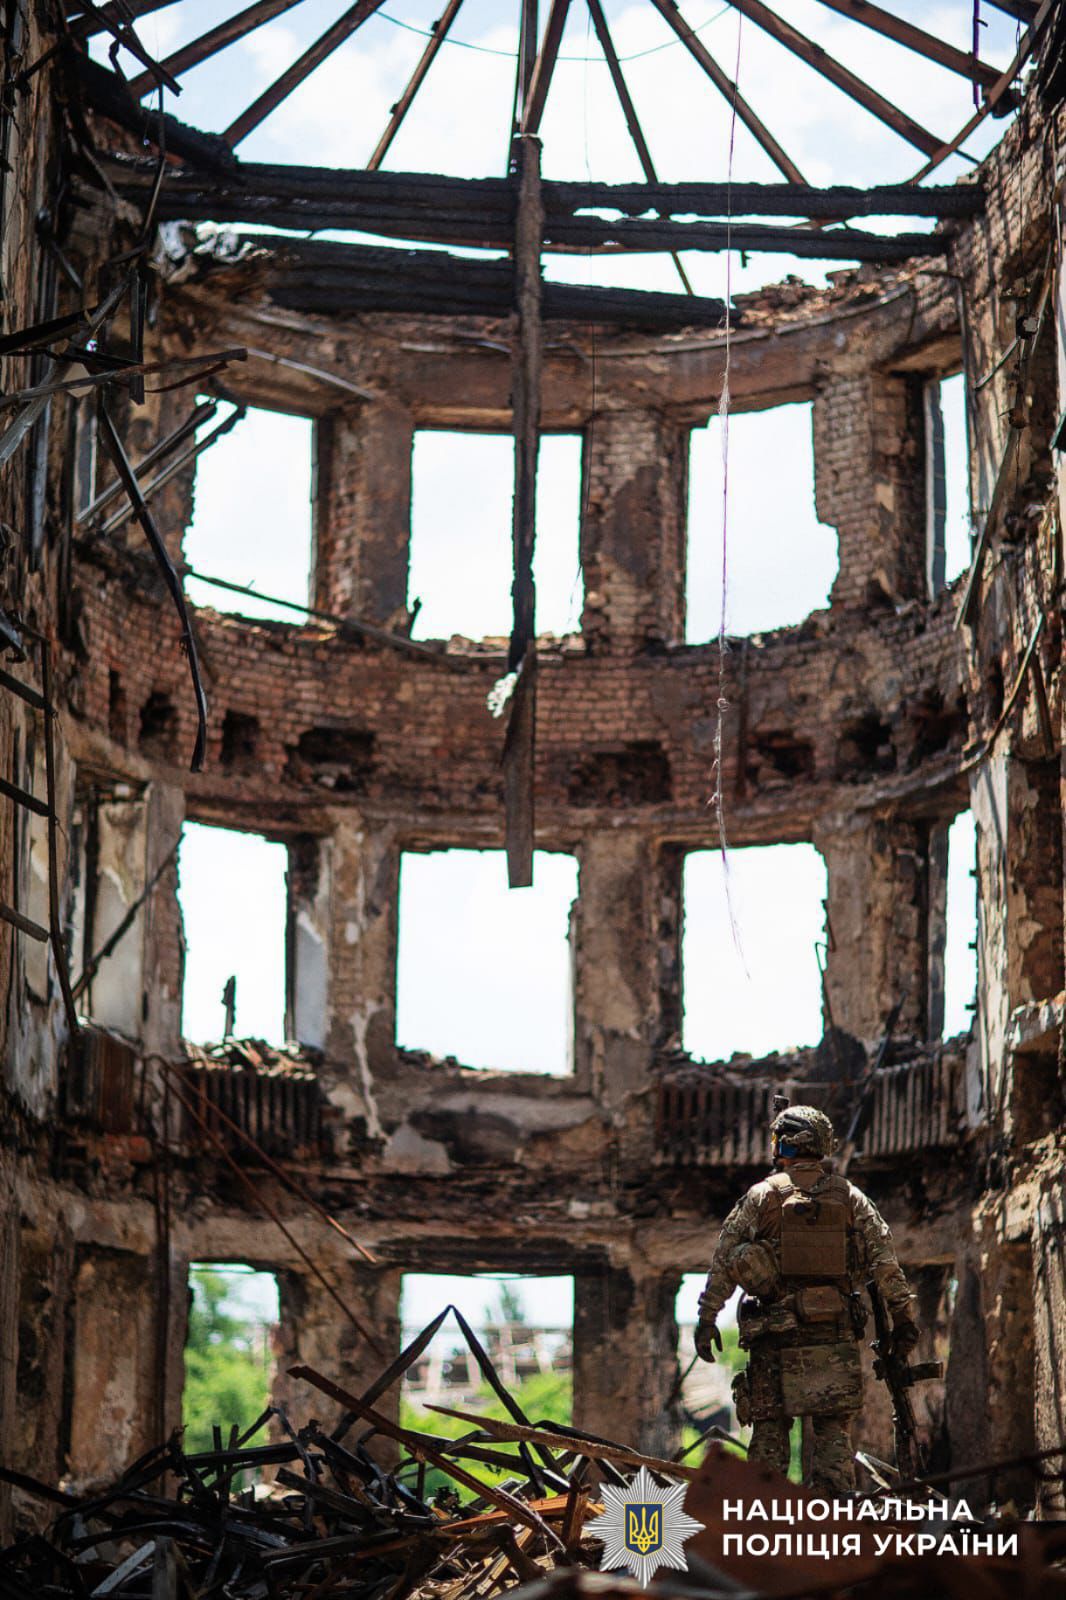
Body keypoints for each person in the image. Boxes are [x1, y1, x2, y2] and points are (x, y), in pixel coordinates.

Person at [693, 1104, 918, 1493]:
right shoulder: (850, 1197)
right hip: (832, 1337)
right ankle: (828, 1535)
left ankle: (763, 1539)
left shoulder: (761, 1197)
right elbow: (885, 1262)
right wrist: (904, 1318)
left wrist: (708, 1318)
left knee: (769, 1444)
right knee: (833, 1441)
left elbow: (724, 1261)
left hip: (773, 1339)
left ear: (784, 1145)